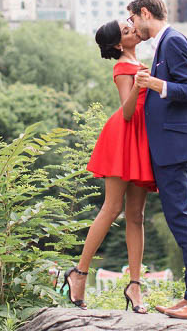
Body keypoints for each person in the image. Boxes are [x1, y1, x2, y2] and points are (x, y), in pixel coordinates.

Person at [128, 0, 187, 320]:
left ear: (145, 13)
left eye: (134, 20)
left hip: (174, 146)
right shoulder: (165, 45)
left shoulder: (174, 41)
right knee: (183, 218)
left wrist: (154, 83)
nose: (134, 27)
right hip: (169, 145)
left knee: (182, 219)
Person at [61, 19, 156, 314]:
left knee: (137, 216)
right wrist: (140, 86)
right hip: (123, 136)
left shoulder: (138, 61)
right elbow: (126, 111)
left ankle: (135, 285)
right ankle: (79, 273)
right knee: (111, 208)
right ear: (118, 44)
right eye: (127, 32)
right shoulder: (122, 68)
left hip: (142, 139)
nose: (133, 31)